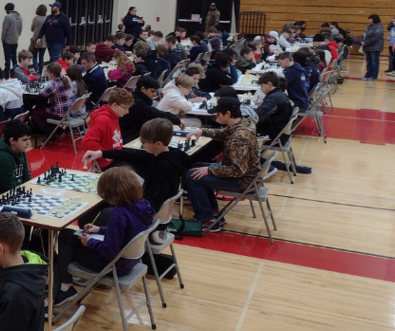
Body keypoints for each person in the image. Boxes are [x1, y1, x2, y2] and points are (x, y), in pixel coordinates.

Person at [54, 167, 155, 307]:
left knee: (64, 249)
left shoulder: (118, 214)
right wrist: (99, 229)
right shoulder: (143, 205)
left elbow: (109, 252)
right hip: (130, 261)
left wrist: (90, 242)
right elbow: (127, 232)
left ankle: (65, 287)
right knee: (68, 235)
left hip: (113, 266)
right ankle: (65, 286)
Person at [182, 96, 261, 226]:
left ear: (228, 114)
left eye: (218, 113)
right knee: (197, 166)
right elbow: (222, 134)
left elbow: (237, 170)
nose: (216, 116)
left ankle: (206, 219)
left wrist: (209, 170)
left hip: (243, 181)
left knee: (192, 176)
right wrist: (202, 131)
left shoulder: (239, 138)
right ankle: (212, 211)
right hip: (246, 174)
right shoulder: (243, 124)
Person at [96, 117, 191, 213]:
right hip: (146, 205)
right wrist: (101, 153)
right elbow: (132, 155)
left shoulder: (163, 168)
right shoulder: (165, 155)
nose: (142, 145)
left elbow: (152, 205)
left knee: (103, 210)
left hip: (145, 213)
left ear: (158, 144)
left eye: (144, 142)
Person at [79, 87, 132, 169]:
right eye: (125, 108)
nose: (127, 111)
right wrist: (104, 154)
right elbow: (87, 142)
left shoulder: (114, 116)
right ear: (114, 105)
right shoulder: (103, 120)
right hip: (107, 164)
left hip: (115, 156)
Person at [118, 76, 181, 143]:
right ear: (143, 89)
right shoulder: (135, 102)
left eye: (156, 92)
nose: (154, 94)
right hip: (127, 137)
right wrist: (175, 119)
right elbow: (154, 114)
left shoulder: (140, 98)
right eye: (152, 91)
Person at [0, 118, 32, 197]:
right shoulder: (2, 157)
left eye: (29, 139)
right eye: (24, 140)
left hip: (15, 193)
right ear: (12, 141)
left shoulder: (20, 151)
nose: (28, 143)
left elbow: (26, 177)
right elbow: (10, 188)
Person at [29, 62, 70, 134]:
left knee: (33, 112)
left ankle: (49, 131)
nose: (46, 74)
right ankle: (54, 128)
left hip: (59, 113)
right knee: (42, 107)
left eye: (47, 72)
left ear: (52, 74)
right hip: (67, 111)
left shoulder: (55, 83)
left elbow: (42, 93)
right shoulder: (63, 80)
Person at [254, 72, 294, 142]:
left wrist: (248, 110)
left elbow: (258, 114)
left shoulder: (272, 98)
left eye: (262, 86)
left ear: (269, 84)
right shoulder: (280, 94)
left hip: (273, 136)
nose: (261, 89)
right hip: (281, 133)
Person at [1, 2, 24, 72]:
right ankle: (15, 72)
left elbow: (4, 29)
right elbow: (20, 29)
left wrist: (2, 39)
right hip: (15, 40)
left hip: (7, 40)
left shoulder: (8, 17)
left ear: (7, 9)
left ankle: (7, 73)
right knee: (14, 58)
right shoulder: (19, 17)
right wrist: (17, 37)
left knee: (7, 58)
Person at [362, 14, 384, 80]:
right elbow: (364, 35)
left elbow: (375, 38)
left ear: (373, 19)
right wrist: (362, 40)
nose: (368, 20)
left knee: (374, 62)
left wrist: (366, 42)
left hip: (375, 48)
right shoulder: (369, 27)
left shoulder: (379, 27)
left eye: (369, 19)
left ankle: (373, 76)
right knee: (369, 62)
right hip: (368, 47)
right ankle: (368, 75)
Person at [30, 4, 48, 72]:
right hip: (44, 40)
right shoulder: (48, 18)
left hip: (35, 39)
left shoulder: (36, 18)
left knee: (34, 55)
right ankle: (40, 71)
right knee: (41, 56)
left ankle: (36, 68)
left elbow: (32, 29)